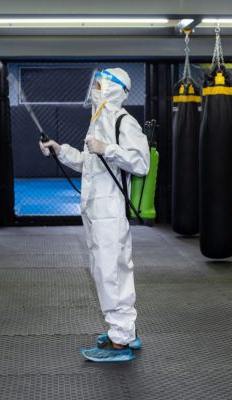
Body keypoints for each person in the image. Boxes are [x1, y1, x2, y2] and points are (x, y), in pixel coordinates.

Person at [39, 68, 149, 362]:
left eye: (100, 83)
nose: (95, 87)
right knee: (110, 270)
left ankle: (120, 343)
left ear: (115, 89)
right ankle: (123, 330)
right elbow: (90, 165)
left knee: (110, 272)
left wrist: (108, 148)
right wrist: (60, 150)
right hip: (95, 209)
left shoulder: (123, 121)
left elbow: (141, 163)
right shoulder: (98, 120)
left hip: (110, 211)